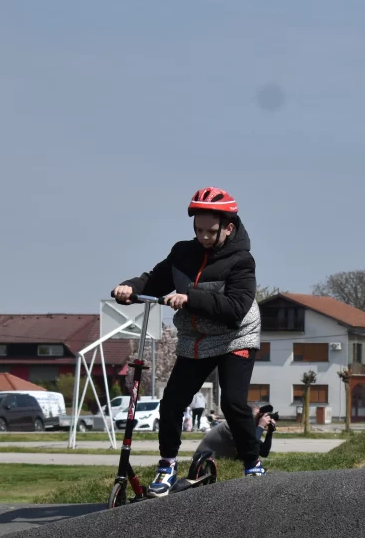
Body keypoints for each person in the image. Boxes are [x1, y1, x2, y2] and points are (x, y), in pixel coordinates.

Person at [112, 187, 264, 496]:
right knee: (171, 403)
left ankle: (253, 465)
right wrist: (128, 288)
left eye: (211, 231)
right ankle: (167, 465)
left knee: (233, 403)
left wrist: (190, 297)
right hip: (197, 339)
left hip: (236, 336)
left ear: (228, 227)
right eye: (198, 230)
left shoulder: (242, 261)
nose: (204, 236)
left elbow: (235, 309)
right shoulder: (182, 253)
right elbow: (152, 281)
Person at [198, 404, 277, 462]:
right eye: (257, 417)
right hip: (203, 462)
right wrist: (260, 426)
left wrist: (269, 432)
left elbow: (264, 452)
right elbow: (250, 447)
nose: (259, 419)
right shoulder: (233, 425)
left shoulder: (245, 427)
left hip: (218, 461)